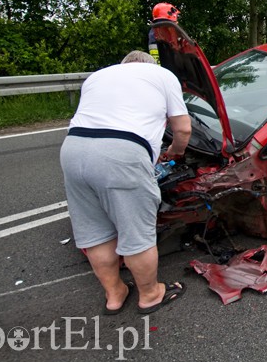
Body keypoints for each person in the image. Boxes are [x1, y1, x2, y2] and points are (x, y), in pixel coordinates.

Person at [60, 49, 192, 315]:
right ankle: (150, 295)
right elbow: (183, 128)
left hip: (72, 150)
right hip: (122, 153)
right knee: (136, 233)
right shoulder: (162, 74)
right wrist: (175, 153)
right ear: (150, 64)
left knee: (96, 233)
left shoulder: (97, 77)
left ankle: (115, 295)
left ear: (123, 65)